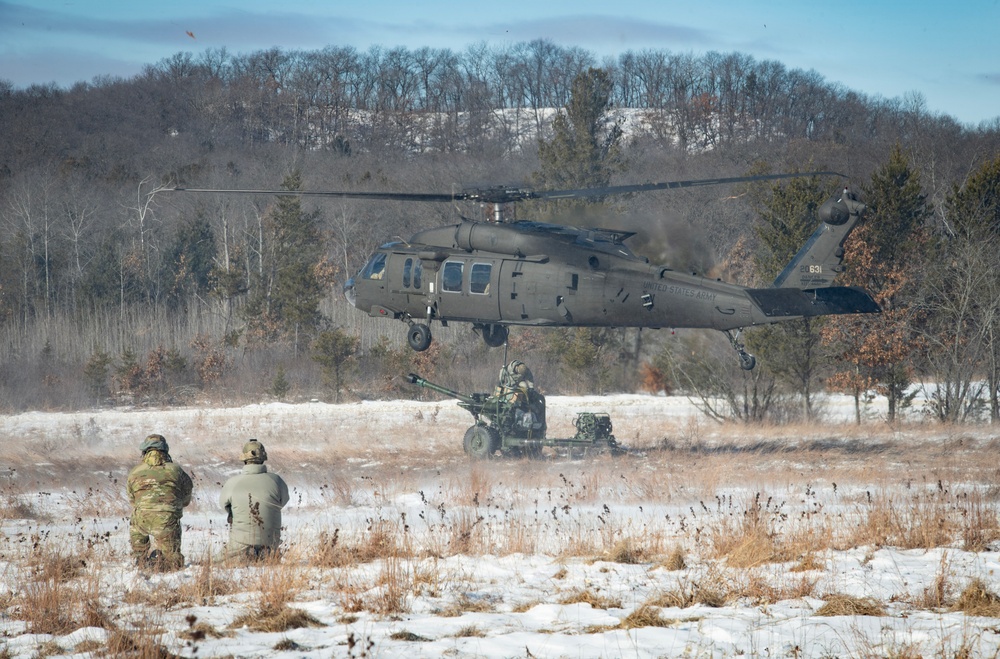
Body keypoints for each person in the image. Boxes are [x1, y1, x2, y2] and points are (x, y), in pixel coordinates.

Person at [126, 434, 193, 571]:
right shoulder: (176, 470)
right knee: (173, 563)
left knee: (136, 521)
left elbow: (132, 500)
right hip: (167, 520)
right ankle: (163, 561)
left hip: (141, 520)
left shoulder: (135, 472)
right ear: (165, 450)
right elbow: (186, 497)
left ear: (145, 451)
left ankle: (139, 557)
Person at [219, 440, 289, 559]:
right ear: (263, 458)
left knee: (217, 561)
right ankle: (265, 552)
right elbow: (282, 502)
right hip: (271, 542)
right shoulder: (276, 481)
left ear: (244, 459)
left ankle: (247, 553)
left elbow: (224, 505)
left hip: (239, 543)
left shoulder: (232, 483)